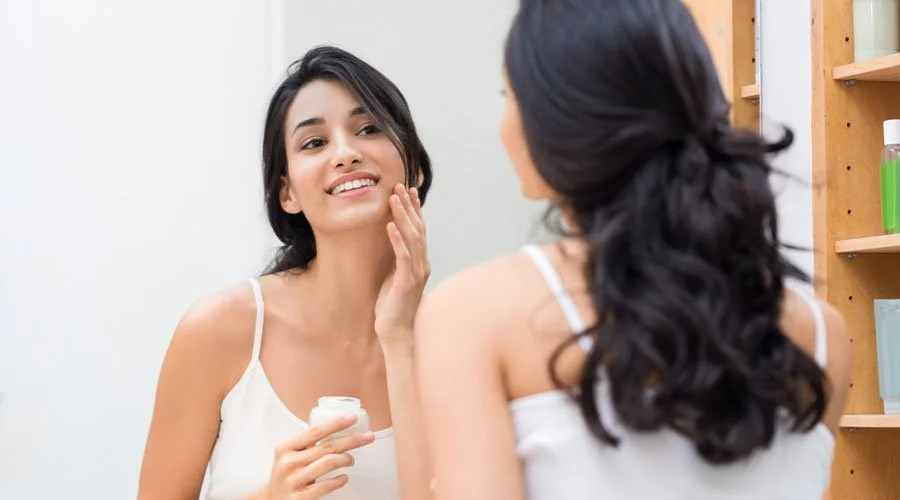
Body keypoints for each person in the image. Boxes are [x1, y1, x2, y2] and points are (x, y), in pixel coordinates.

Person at [415, 1, 850, 499]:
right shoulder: (822, 338)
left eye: (507, 95)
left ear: (561, 118)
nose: (503, 124)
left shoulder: (472, 315)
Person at [138, 45, 434, 500]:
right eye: (314, 143)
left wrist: (398, 339)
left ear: (412, 165)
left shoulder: (454, 340)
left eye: (369, 128)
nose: (345, 153)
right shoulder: (220, 330)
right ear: (288, 193)